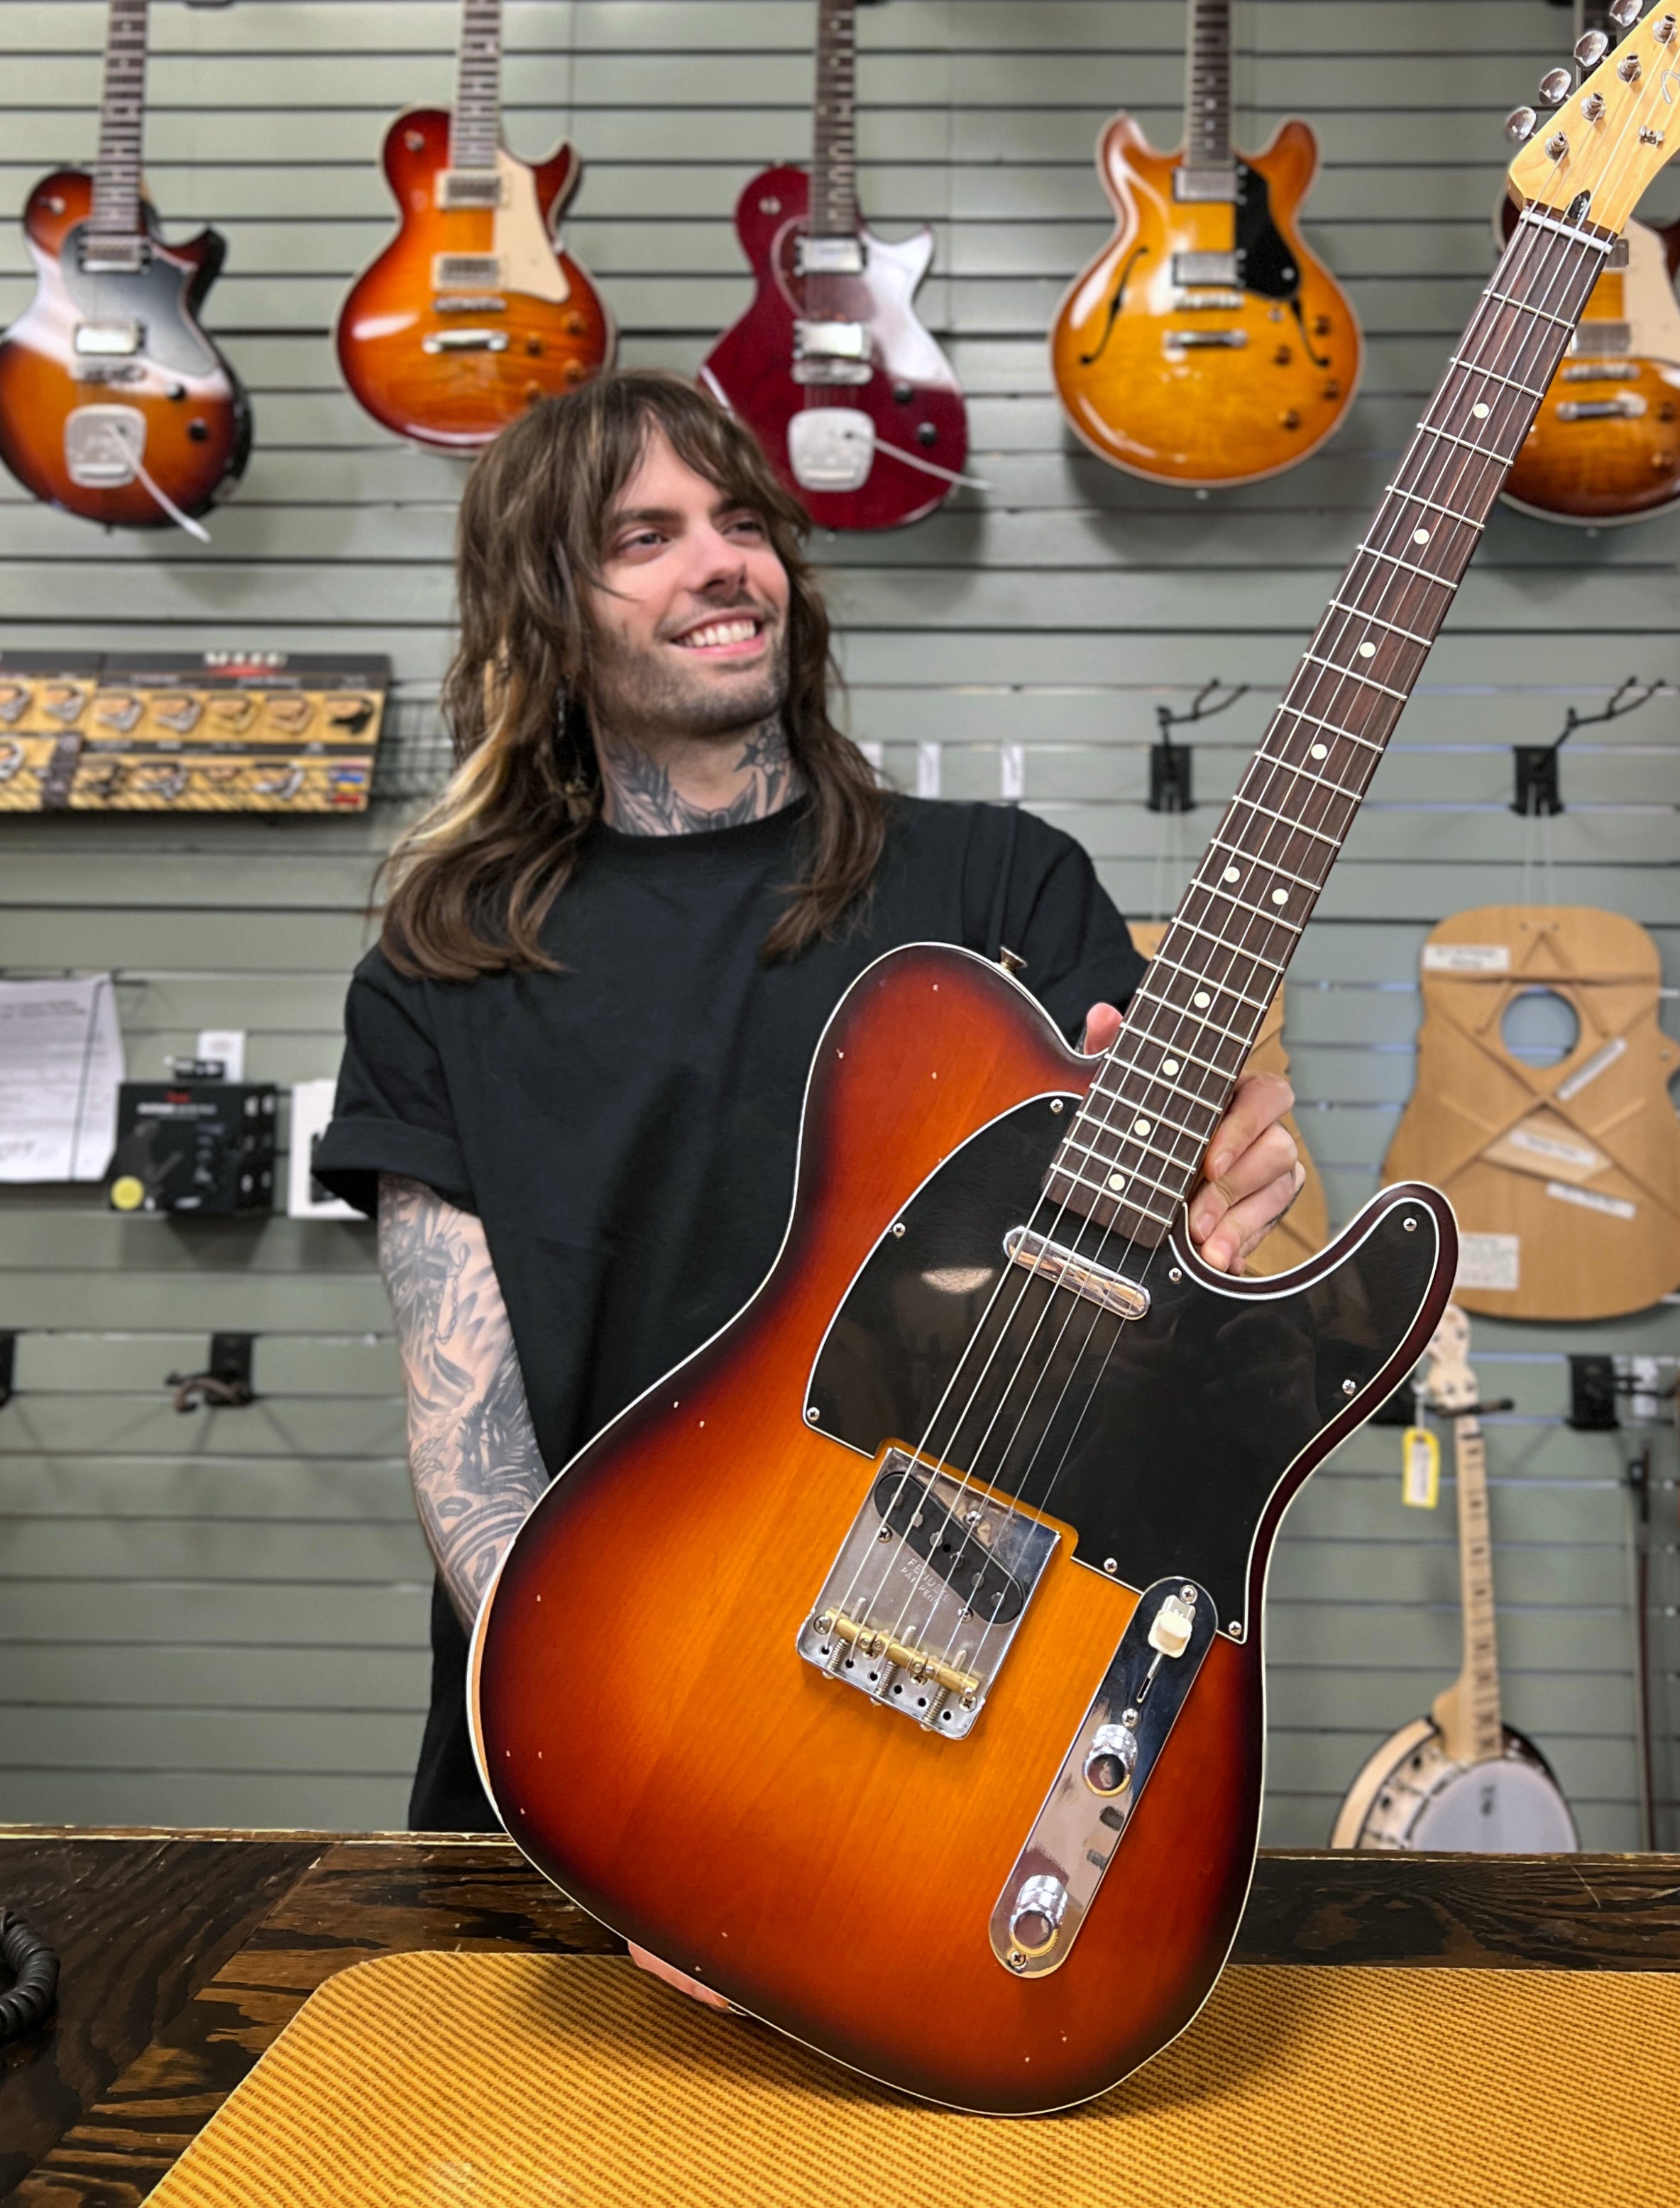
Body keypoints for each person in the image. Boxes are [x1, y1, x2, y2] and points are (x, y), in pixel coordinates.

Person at [314, 370, 1305, 1829]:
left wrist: (1205, 1235)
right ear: (544, 611)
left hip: (965, 1733)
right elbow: (470, 1440)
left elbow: (1127, 1336)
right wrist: (617, 1761)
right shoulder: (443, 967)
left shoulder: (1002, 885)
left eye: (741, 522)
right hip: (589, 1757)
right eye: (643, 537)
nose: (722, 562)